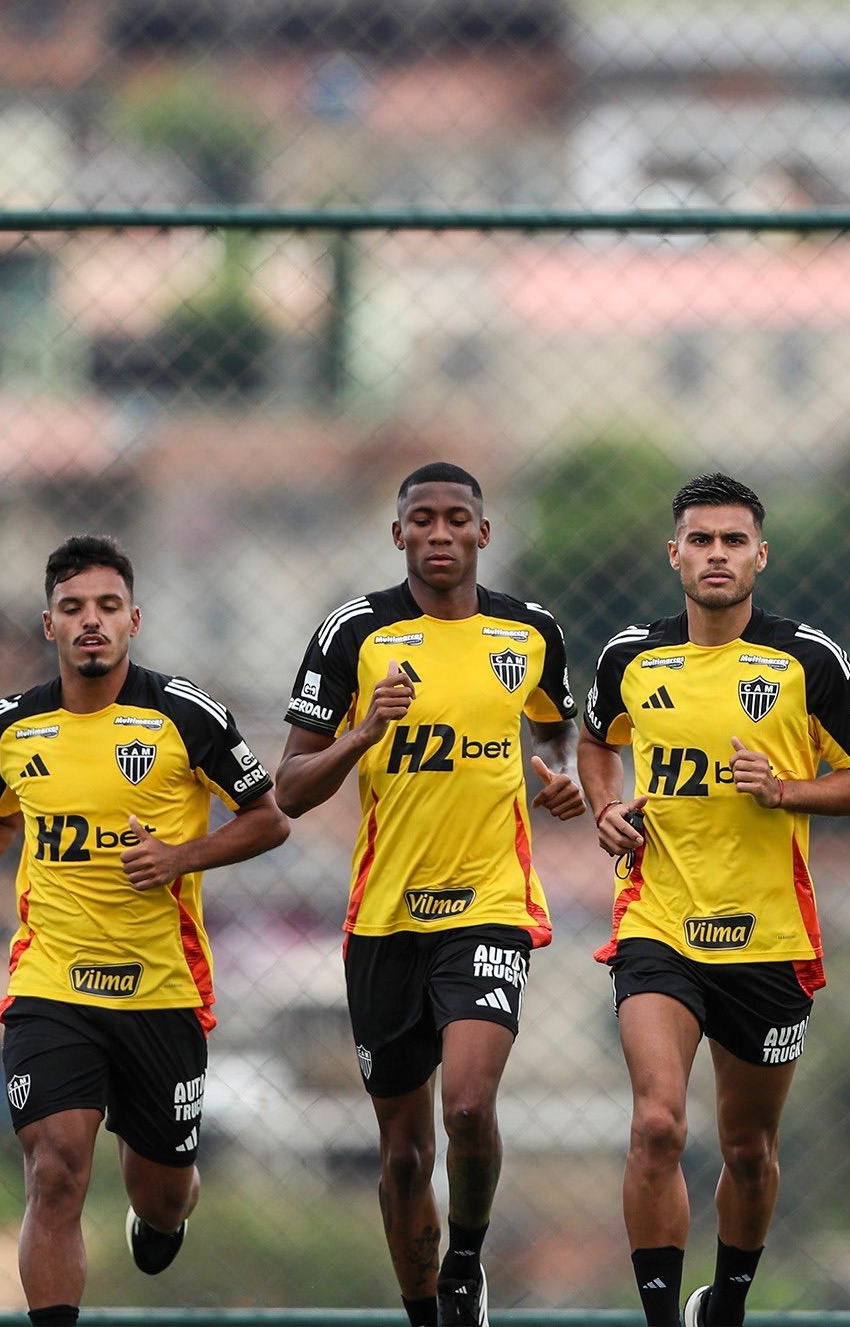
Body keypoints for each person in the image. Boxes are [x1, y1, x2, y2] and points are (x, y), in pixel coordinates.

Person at [0, 535, 290, 1327]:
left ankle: (162, 1210)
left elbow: (269, 822)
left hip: (161, 988)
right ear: (48, 627)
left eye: (106, 607)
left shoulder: (184, 715)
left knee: (160, 1195)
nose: (90, 622)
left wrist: (182, 855)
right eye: (71, 609)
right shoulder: (12, 727)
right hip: (51, 982)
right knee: (54, 1171)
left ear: (134, 619)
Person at [275, 462, 585, 1327]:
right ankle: (430, 1316)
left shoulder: (529, 633)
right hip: (385, 921)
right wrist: (366, 731)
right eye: (423, 520)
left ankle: (467, 1263)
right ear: (399, 534)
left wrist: (560, 780)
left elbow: (557, 733)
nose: (440, 534)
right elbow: (290, 790)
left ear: (484, 534)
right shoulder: (355, 633)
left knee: (470, 1103)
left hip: (490, 902)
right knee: (406, 1157)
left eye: (458, 519)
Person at [577, 473, 850, 1327]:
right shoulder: (630, 655)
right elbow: (597, 741)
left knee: (748, 1149)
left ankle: (729, 1305)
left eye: (734, 540)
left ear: (761, 554)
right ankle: (660, 1316)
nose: (717, 554)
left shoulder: (807, 660)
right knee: (658, 1127)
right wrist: (605, 807)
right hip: (659, 925)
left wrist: (784, 790)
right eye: (701, 539)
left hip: (769, 937)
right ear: (674, 551)